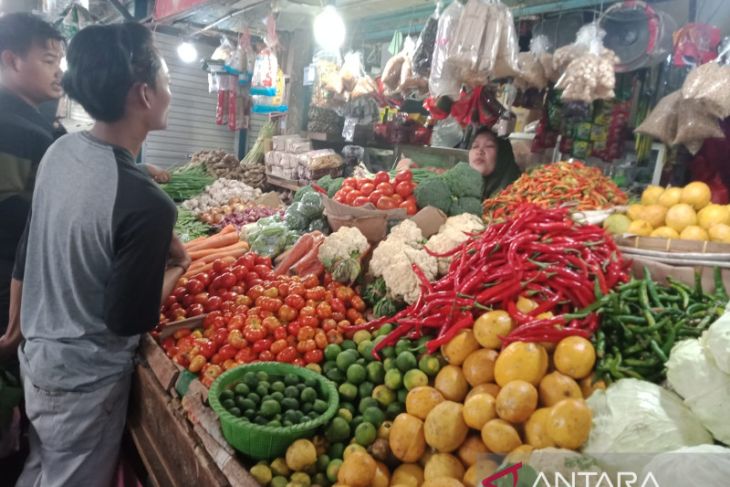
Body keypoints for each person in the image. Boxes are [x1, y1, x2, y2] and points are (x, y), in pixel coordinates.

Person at [12, 22, 190, 487]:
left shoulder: (61, 151)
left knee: (41, 466)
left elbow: (28, 246)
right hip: (85, 386)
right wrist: (179, 266)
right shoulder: (147, 204)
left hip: (37, 360)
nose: (171, 92)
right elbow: (128, 319)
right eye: (167, 82)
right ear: (145, 95)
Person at [0, 13, 65, 358]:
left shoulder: (32, 123)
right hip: (8, 284)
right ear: (11, 60)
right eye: (49, 60)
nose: (59, 72)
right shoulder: (8, 125)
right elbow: (7, 211)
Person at [467, 127, 522, 199]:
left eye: (489, 146)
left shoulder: (513, 194)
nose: (479, 151)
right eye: (475, 146)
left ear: (502, 156)